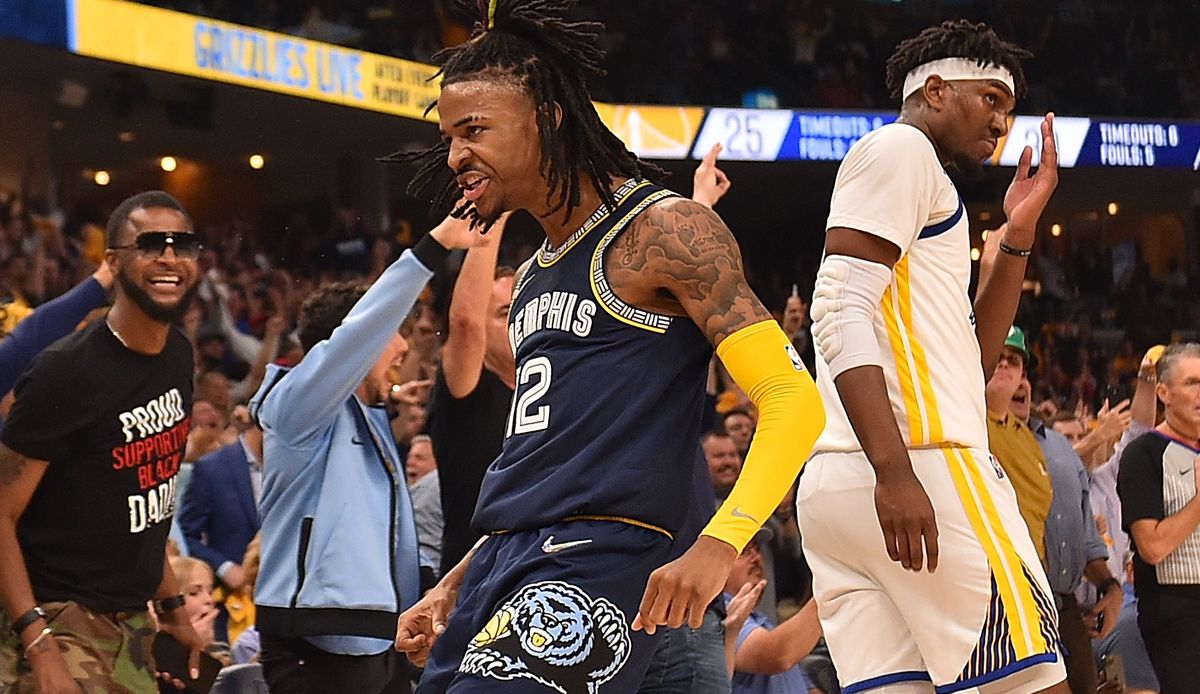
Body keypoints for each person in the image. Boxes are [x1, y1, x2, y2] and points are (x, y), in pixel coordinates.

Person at [392, 2, 824, 691]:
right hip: (504, 563)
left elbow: (794, 400)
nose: (454, 156)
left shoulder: (663, 231)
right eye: (449, 137)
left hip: (596, 558)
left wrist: (721, 541)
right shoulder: (532, 277)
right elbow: (544, 470)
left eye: (474, 130)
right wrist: (452, 585)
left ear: (546, 117)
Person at [798, 19, 1066, 693]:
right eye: (990, 99)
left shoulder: (919, 181)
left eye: (1009, 108)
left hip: (845, 487)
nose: (1001, 121)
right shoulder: (901, 150)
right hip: (918, 465)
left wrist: (1016, 234)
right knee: (1034, 684)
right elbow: (836, 309)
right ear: (937, 90)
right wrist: (894, 470)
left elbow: (972, 365)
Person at [248, 210, 482, 694]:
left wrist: (418, 600)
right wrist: (433, 247)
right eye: (390, 332)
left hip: (378, 644)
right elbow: (357, 336)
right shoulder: (295, 408)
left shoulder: (368, 418)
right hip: (314, 646)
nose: (400, 348)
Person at [0, 191, 205, 692]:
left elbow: (148, 495)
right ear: (112, 263)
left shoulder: (178, 355)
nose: (169, 257)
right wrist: (39, 643)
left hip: (132, 621)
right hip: (58, 616)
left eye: (182, 245)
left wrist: (173, 605)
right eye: (150, 244)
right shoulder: (64, 372)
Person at [1004, 331, 1123, 694]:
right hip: (1010, 607)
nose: (1015, 377)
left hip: (1067, 607)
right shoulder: (972, 442)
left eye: (1018, 364)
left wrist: (1109, 586)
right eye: (999, 364)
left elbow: (1083, 533)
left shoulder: (1058, 446)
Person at [426, 209, 515, 576]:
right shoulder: (467, 387)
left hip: (542, 577)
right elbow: (466, 322)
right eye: (505, 313)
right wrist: (499, 210)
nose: (520, 319)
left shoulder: (554, 385)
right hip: (474, 580)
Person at [1117, 343, 1200, 694]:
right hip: (1177, 615)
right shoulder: (1142, 455)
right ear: (1163, 393)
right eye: (1192, 383)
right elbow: (1152, 547)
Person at [178, 428, 264, 642]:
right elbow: (186, 535)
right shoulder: (213, 468)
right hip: (228, 612)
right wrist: (224, 567)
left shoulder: (293, 467)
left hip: (279, 604)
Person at [722, 530, 823, 694]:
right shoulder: (717, 615)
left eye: (757, 549)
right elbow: (777, 656)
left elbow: (809, 689)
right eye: (744, 551)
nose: (756, 558)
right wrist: (830, 589)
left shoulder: (764, 623)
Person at [985, 328, 1052, 564]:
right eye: (996, 356)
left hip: (1030, 569)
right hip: (988, 566)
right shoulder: (963, 421)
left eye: (1013, 360)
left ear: (1022, 375)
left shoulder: (1026, 437)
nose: (1004, 364)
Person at [407, 434, 445, 575]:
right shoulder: (406, 491)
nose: (410, 462)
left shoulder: (434, 486)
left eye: (419, 458)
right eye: (410, 457)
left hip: (428, 573)